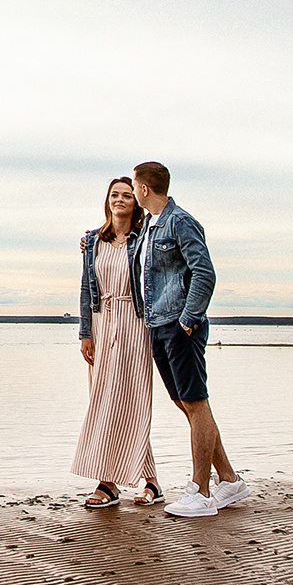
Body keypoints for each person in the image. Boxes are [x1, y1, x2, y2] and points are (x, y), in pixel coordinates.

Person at [130, 160, 250, 516]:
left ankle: (199, 491)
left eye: (134, 186)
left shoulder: (180, 222)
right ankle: (228, 480)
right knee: (187, 404)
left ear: (145, 189)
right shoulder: (151, 225)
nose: (134, 192)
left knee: (196, 403)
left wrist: (189, 319)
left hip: (181, 326)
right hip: (158, 325)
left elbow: (205, 272)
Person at [70, 176, 163, 508]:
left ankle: (109, 483)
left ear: (136, 201)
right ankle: (147, 482)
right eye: (114, 195)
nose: (120, 199)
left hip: (135, 323)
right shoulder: (93, 241)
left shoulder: (144, 238)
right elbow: (86, 289)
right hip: (102, 320)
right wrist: (85, 333)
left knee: (132, 400)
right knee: (105, 399)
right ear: (107, 200)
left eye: (127, 195)